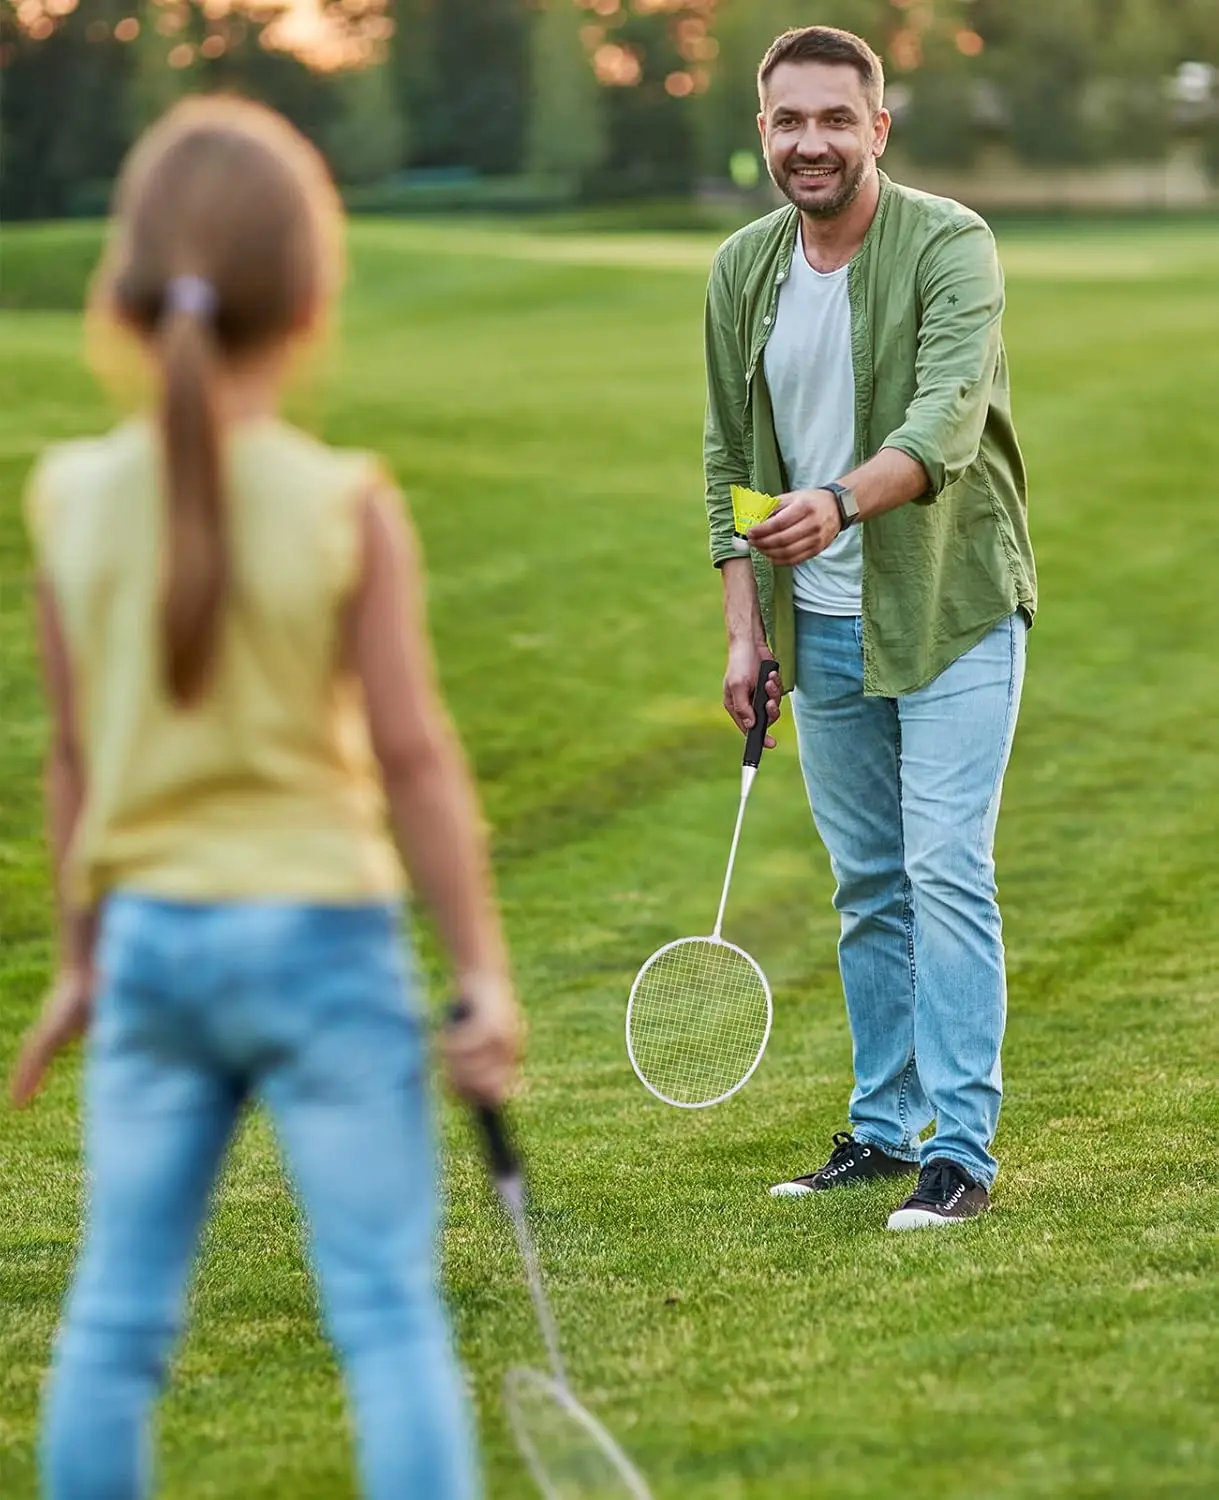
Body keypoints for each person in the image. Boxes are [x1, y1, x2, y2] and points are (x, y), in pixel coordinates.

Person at [10, 96, 520, 1497]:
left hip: (157, 950)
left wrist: (77, 958)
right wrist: (478, 973)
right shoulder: (343, 500)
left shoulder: (66, 499)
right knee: (383, 1317)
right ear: (308, 299)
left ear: (120, 294)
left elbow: (74, 761)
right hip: (320, 939)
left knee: (113, 1331)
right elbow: (414, 759)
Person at [704, 27, 1036, 1229]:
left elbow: (948, 418)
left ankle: (962, 1150)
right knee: (868, 887)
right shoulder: (742, 269)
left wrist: (838, 501)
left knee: (946, 869)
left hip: (948, 609)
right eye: (788, 121)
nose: (810, 142)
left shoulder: (950, 243)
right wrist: (748, 627)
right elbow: (729, 457)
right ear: (761, 134)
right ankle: (886, 1130)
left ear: (877, 129)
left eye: (835, 119)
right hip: (820, 630)